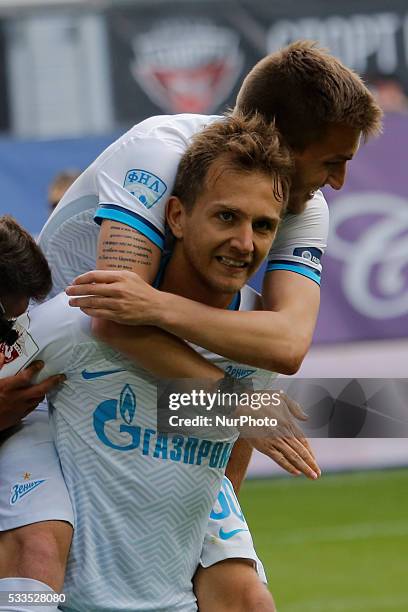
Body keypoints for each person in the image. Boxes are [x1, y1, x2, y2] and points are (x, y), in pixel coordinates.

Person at [1, 114, 306, 611]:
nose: (244, 244)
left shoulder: (256, 336)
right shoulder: (79, 315)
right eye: (227, 217)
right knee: (34, 556)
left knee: (249, 599)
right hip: (74, 576)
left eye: (263, 226)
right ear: (177, 217)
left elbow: (218, 445)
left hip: (170, 581)